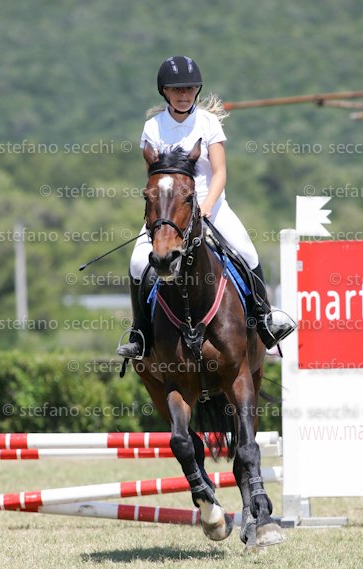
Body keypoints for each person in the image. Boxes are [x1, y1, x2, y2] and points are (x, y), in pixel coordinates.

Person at [117, 56, 295, 358]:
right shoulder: (153, 127)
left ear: (196, 91)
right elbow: (155, 179)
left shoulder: (208, 122)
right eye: (177, 89)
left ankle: (265, 320)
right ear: (164, 91)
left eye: (189, 89)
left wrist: (207, 205)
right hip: (170, 211)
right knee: (137, 263)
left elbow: (220, 172)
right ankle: (140, 333)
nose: (184, 95)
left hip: (210, 204)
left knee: (247, 252)